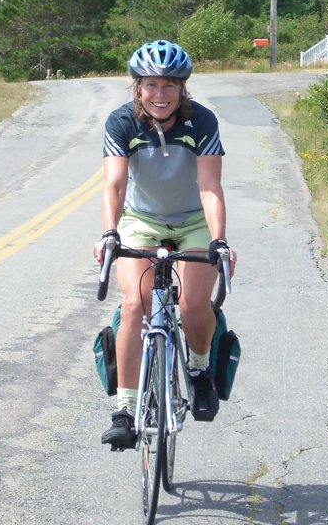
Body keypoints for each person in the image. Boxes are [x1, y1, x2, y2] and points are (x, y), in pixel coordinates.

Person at [93, 39, 236, 450]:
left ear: (182, 89)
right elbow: (115, 184)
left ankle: (197, 369)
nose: (160, 94)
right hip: (141, 221)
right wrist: (109, 232)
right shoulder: (121, 122)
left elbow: (210, 187)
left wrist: (220, 241)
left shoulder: (202, 122)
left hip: (192, 221)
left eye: (170, 85)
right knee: (135, 306)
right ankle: (125, 410)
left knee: (193, 305)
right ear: (137, 87)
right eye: (151, 84)